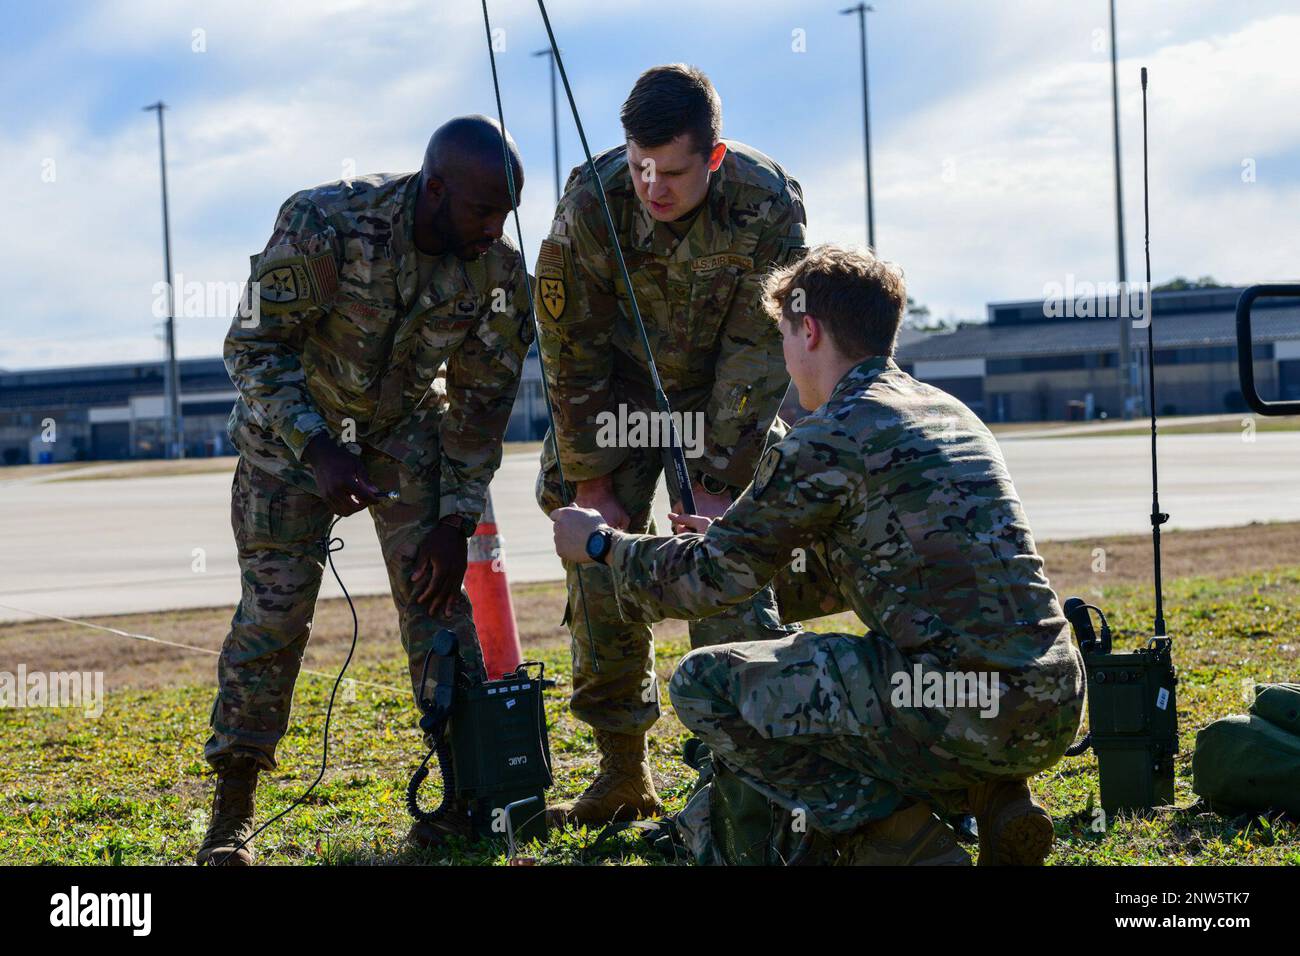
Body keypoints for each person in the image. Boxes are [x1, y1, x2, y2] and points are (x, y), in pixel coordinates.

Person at [551, 244, 1086, 865]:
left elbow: (707, 582)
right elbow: (888, 564)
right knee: (850, 680)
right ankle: (985, 791)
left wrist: (600, 545)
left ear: (808, 330)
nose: (783, 355)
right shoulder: (947, 412)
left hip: (956, 704)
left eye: (782, 334)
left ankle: (895, 835)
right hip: (1049, 700)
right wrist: (740, 537)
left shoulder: (828, 435)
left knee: (705, 685)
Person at [199, 115, 533, 865]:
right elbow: (251, 347)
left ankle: (465, 798)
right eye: (483, 209)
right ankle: (232, 814)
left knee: (441, 605)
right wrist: (315, 448)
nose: (494, 228)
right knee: (274, 617)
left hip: (400, 441)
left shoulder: (500, 276)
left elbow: (482, 408)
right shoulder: (326, 224)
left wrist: (457, 521)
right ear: (436, 189)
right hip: (288, 446)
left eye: (506, 212)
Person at [534, 64, 809, 826]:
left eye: (675, 172)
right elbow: (568, 344)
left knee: (726, 556)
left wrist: (722, 477)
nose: (653, 187)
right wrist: (589, 479)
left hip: (723, 396)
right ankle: (623, 773)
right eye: (640, 166)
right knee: (593, 558)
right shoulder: (592, 200)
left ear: (713, 158)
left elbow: (760, 348)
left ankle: (745, 770)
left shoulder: (765, 200)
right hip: (611, 393)